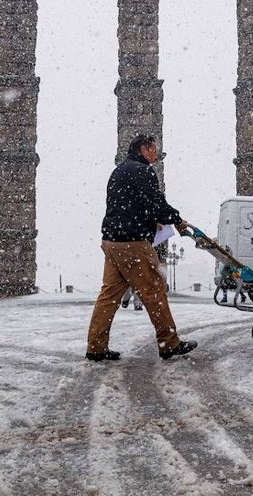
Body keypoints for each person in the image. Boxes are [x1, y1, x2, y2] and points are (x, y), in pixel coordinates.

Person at [85, 133, 197, 362]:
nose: (156, 155)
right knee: (155, 291)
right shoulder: (142, 171)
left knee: (108, 296)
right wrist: (176, 219)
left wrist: (150, 219)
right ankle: (170, 344)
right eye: (154, 150)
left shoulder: (120, 170)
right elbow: (155, 203)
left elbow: (134, 205)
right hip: (132, 243)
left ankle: (96, 346)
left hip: (112, 241)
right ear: (144, 148)